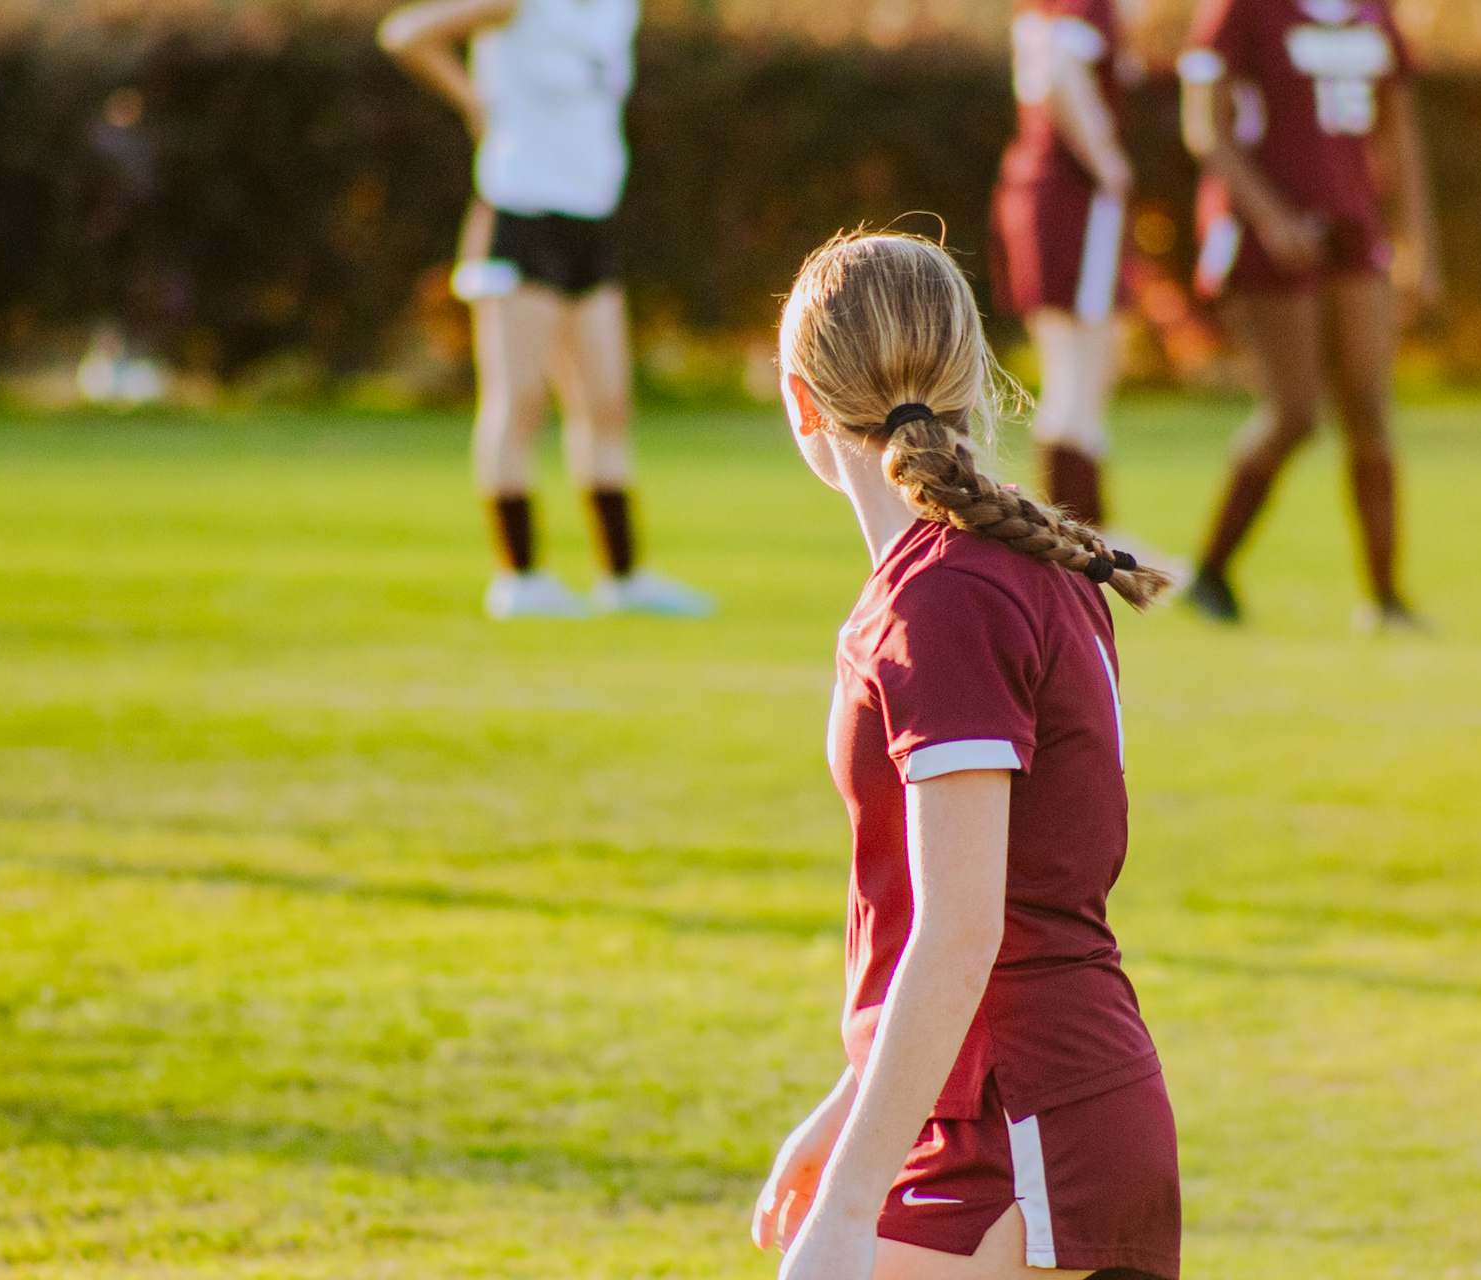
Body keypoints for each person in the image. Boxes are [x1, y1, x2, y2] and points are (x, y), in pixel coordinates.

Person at [752, 231, 1181, 1280]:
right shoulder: (997, 568)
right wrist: (846, 1111)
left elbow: (964, 926)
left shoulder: (943, 598)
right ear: (971, 377)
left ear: (802, 403)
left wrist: (850, 1206)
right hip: (1029, 1110)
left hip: (1022, 1126)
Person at [379, 0, 711, 618]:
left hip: (590, 219)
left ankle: (622, 578)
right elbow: (405, 34)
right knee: (521, 399)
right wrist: (473, 101)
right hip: (521, 215)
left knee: (607, 403)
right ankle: (520, 578)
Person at [1176, 0, 1441, 628]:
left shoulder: (1374, 12)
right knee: (1294, 413)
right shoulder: (1240, 11)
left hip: (1354, 226)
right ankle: (1211, 571)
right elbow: (1206, 128)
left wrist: (1419, 242)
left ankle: (1386, 598)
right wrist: (1272, 218)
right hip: (1267, 233)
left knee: (1368, 406)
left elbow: (1399, 133)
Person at [989, 0, 1138, 533]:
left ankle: (1070, 532)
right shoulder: (1086, 7)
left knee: (1070, 374)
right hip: (1074, 197)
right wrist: (1105, 156)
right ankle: (1085, 534)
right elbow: (1060, 72)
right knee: (1083, 373)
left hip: (1036, 192)